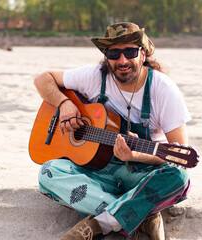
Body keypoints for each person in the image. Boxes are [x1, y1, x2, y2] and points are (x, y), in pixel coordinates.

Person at [34, 22, 191, 240]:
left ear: (143, 54)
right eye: (114, 53)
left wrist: (136, 155)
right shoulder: (94, 77)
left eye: (130, 52)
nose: (123, 60)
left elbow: (179, 154)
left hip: (139, 173)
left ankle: (102, 223)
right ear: (107, 57)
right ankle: (139, 214)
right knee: (48, 172)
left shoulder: (163, 89)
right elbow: (43, 79)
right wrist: (64, 105)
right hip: (98, 170)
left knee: (178, 177)